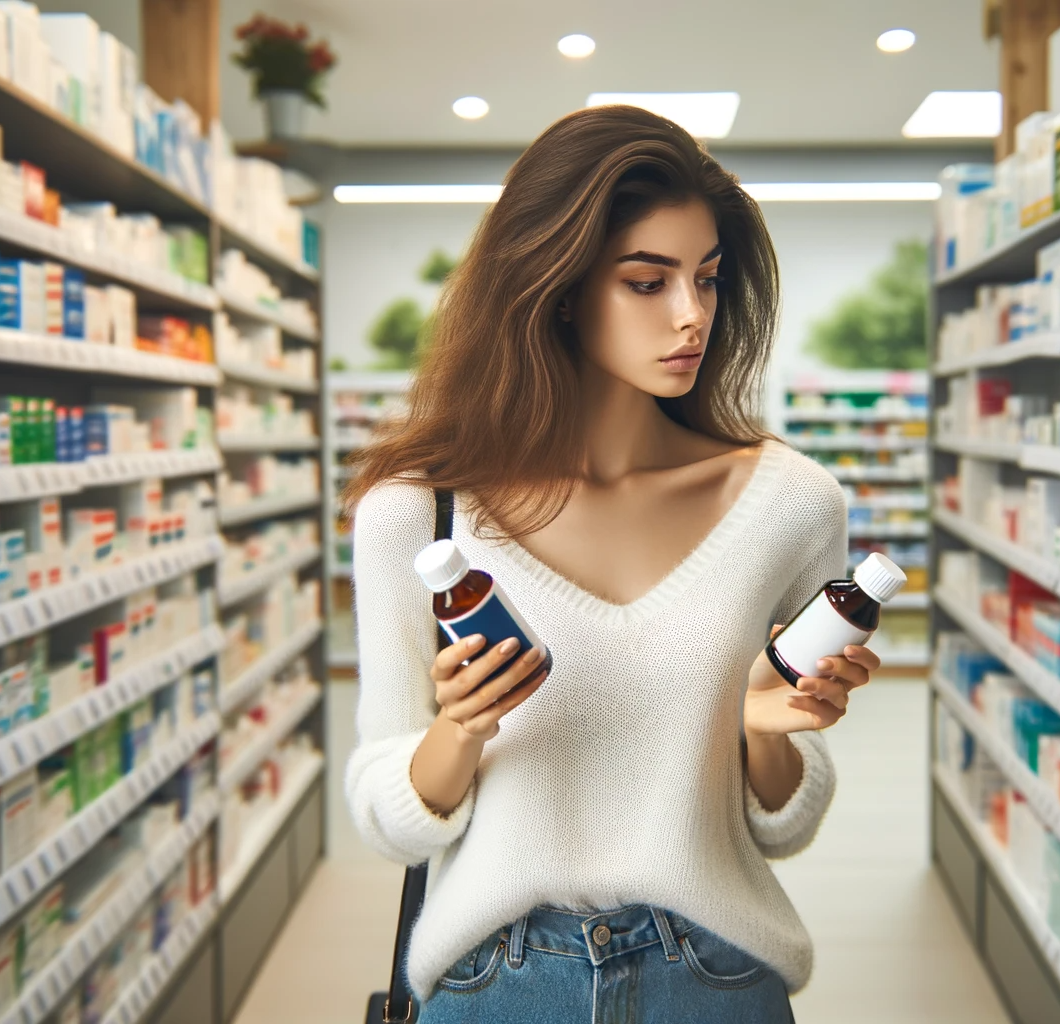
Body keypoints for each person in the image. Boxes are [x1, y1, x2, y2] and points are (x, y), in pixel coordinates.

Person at [341, 103, 880, 1023]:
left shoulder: (789, 504)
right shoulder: (418, 517)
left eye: (707, 280)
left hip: (716, 979)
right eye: (647, 281)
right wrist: (459, 730)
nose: (691, 316)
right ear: (554, 284)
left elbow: (784, 821)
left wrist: (764, 730)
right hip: (494, 984)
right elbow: (388, 820)